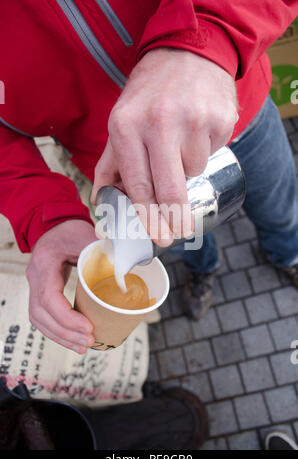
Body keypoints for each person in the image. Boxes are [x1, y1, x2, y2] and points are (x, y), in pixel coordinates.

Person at [0, 1, 298, 351]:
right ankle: (205, 270)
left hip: (234, 103)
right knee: (185, 243)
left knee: (278, 203)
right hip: (127, 178)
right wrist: (45, 215)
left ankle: (288, 254)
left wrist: (209, 36)